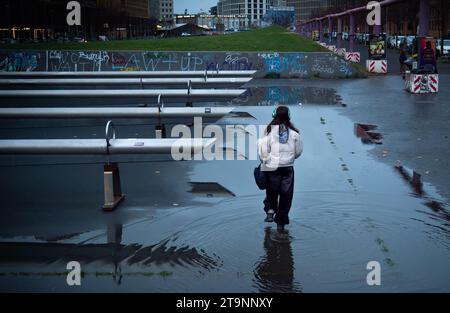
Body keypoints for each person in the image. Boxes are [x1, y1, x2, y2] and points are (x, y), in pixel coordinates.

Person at [257, 106, 303, 231]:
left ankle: (270, 212)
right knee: (286, 195)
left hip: (272, 166)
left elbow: (263, 151)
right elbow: (298, 152)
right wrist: (289, 158)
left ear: (274, 115)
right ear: (289, 116)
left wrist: (265, 161)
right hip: (288, 168)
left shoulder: (268, 132)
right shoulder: (294, 134)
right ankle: (281, 224)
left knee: (272, 191)